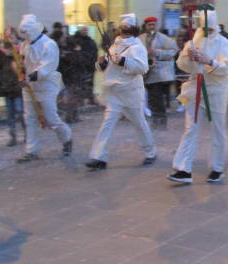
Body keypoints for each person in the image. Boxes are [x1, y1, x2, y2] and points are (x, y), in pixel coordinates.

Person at [168, 9, 228, 184]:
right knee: (190, 129)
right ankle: (184, 169)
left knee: (217, 130)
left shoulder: (224, 43)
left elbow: (225, 68)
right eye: (204, 29)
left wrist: (209, 61)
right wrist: (188, 58)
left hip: (216, 92)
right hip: (196, 89)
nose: (207, 32)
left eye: (210, 29)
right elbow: (182, 64)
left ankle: (217, 168)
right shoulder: (194, 41)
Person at [86, 14, 157, 170]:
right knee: (107, 124)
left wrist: (124, 61)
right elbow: (108, 66)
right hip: (115, 93)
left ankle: (150, 152)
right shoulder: (114, 45)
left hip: (131, 93)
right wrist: (101, 63)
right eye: (123, 28)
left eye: (127, 28)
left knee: (139, 123)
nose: (124, 31)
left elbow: (142, 68)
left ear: (133, 29)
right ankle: (99, 157)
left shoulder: (137, 47)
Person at [17, 14, 72, 162]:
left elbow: (46, 67)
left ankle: (67, 139)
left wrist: (31, 76)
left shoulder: (49, 45)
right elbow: (22, 62)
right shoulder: (25, 45)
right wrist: (21, 73)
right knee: (30, 119)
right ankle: (31, 151)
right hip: (29, 87)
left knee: (51, 118)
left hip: (47, 86)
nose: (25, 36)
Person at [140, 17, 178, 129]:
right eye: (149, 25)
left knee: (158, 99)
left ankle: (160, 123)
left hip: (159, 75)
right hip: (146, 74)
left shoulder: (163, 38)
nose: (152, 27)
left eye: (154, 24)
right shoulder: (141, 38)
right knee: (151, 100)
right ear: (145, 26)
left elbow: (174, 51)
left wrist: (157, 53)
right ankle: (155, 121)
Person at [0, 33, 26, 146]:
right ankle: (13, 137)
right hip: (6, 86)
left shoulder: (19, 50)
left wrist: (22, 80)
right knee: (10, 113)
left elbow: (24, 66)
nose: (10, 39)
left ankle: (27, 133)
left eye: (12, 36)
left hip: (17, 86)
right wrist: (0, 79)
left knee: (20, 112)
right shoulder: (1, 51)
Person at [59, 36, 86, 124]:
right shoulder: (74, 54)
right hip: (74, 78)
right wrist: (78, 52)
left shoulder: (64, 54)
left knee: (71, 98)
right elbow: (81, 64)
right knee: (73, 98)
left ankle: (72, 116)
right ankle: (71, 117)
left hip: (68, 79)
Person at [74, 26, 98, 105]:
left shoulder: (90, 41)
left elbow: (95, 52)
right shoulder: (75, 41)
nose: (85, 31)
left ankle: (90, 99)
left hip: (90, 66)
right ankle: (80, 100)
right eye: (83, 30)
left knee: (90, 83)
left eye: (86, 30)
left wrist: (94, 62)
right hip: (80, 67)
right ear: (80, 31)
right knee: (80, 84)